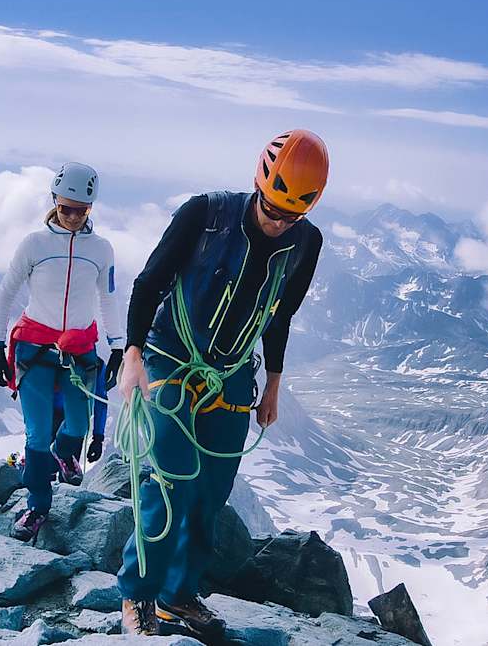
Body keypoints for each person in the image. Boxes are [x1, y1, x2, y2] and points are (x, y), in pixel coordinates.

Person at [115, 130, 327, 637]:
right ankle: (137, 595)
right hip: (169, 355)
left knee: (213, 489)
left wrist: (273, 384)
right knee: (171, 480)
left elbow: (279, 317)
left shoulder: (305, 243)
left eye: (290, 217)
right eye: (272, 210)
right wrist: (133, 354)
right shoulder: (205, 214)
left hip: (232, 372)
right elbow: (150, 283)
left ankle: (178, 595)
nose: (278, 224)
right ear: (258, 184)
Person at [0, 162, 125, 541]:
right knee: (34, 436)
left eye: (81, 211)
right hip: (35, 349)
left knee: (77, 427)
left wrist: (117, 346)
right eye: (66, 209)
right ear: (54, 202)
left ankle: (63, 452)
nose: (73, 217)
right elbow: (6, 294)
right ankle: (37, 507)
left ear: (91, 209)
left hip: (80, 350)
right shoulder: (34, 245)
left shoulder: (101, 249)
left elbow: (108, 298)